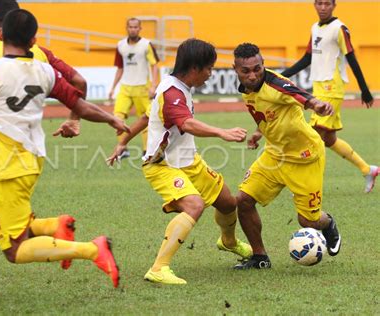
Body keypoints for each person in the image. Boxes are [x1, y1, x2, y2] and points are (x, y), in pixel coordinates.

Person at [0, 9, 127, 315]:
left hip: (7, 170)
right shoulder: (45, 71)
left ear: (0, 34)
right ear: (33, 39)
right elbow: (79, 104)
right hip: (18, 164)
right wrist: (111, 118)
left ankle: (92, 249)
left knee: (15, 251)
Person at [108, 39, 252, 285]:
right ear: (195, 68)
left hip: (188, 161)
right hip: (162, 165)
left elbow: (146, 117)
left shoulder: (176, 85)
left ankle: (228, 241)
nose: (210, 73)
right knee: (194, 205)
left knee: (228, 202)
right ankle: (158, 268)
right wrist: (221, 132)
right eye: (209, 68)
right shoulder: (172, 92)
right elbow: (186, 124)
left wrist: (123, 142)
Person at [232, 43, 341, 270]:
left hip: (305, 157)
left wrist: (317, 105)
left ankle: (328, 223)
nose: (252, 75)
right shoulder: (246, 88)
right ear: (236, 69)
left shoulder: (276, 84)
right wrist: (258, 133)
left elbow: (300, 96)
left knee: (308, 220)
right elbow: (268, 113)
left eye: (257, 68)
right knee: (243, 201)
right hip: (275, 154)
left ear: (263, 65)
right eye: (246, 71)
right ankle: (259, 257)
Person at [281, 0, 378, 193]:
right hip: (319, 88)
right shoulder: (315, 27)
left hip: (332, 88)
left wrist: (364, 88)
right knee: (329, 139)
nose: (323, 7)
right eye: (319, 3)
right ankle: (368, 169)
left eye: (327, 3)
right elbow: (307, 58)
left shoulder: (339, 28)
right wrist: (281, 76)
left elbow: (351, 57)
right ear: (314, 5)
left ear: (334, 5)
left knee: (312, 135)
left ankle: (306, 184)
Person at [108, 17, 159, 158]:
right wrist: (113, 87)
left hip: (142, 87)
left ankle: (146, 151)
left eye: (136, 27)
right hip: (125, 87)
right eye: (130, 27)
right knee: (117, 118)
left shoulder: (146, 44)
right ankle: (123, 149)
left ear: (140, 28)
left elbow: (154, 65)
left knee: (146, 120)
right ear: (127, 28)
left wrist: (153, 85)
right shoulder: (120, 46)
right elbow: (120, 68)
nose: (133, 29)